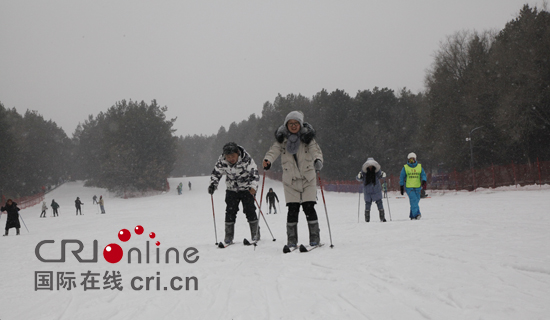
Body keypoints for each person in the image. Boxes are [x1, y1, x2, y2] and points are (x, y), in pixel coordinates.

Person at [263, 111, 323, 248]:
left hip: (308, 178)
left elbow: (316, 151)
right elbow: (273, 151)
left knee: (309, 207)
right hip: (290, 180)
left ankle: (314, 237)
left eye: (296, 123)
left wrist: (318, 160)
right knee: (292, 209)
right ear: (286, 125)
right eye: (291, 123)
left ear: (300, 124)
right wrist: (268, 160)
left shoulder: (308, 138)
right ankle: (291, 239)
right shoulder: (282, 140)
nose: (294, 126)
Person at [208, 142, 260, 245]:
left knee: (250, 210)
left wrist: (253, 187)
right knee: (230, 212)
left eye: (233, 156)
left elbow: (254, 172)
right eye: (228, 157)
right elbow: (216, 173)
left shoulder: (246, 159)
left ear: (237, 153)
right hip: (231, 189)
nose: (231, 159)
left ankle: (255, 233)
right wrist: (213, 184)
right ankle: (228, 236)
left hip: (246, 189)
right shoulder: (222, 161)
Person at [356, 157, 387, 222]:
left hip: (376, 190)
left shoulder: (377, 171)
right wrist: (359, 176)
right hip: (367, 191)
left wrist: (383, 175)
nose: (370, 167)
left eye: (371, 166)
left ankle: (382, 218)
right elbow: (359, 178)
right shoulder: (363, 172)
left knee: (379, 203)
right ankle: (367, 219)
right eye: (369, 166)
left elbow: (380, 176)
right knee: (367, 205)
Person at [399, 152, 427, 220]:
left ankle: (412, 215)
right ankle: (417, 214)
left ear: (415, 159)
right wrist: (401, 186)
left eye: (413, 160)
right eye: (410, 160)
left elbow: (423, 174)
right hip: (409, 187)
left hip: (417, 187)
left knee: (416, 200)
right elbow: (402, 177)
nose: (411, 161)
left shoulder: (419, 166)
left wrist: (424, 180)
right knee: (413, 200)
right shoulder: (405, 167)